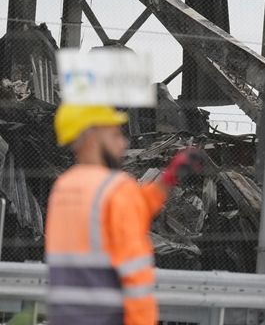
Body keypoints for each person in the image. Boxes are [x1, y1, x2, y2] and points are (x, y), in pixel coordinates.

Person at [45, 104, 203, 325]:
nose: (124, 142)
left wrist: (169, 177)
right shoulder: (110, 186)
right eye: (115, 135)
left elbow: (137, 206)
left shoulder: (66, 186)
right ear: (92, 138)